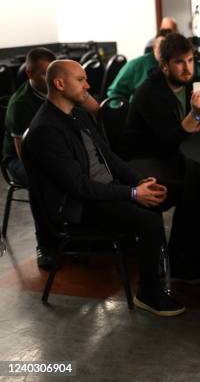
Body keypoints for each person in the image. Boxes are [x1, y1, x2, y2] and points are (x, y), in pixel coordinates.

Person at [23, 60, 185, 316]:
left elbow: (108, 156)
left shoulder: (77, 113)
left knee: (181, 192)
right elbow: (78, 187)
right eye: (81, 80)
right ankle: (150, 294)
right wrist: (132, 194)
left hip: (104, 191)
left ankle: (184, 267)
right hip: (77, 208)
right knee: (149, 221)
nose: (88, 85)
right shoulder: (46, 130)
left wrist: (138, 181)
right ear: (59, 84)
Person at [124, 32, 200, 280]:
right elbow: (168, 140)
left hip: (173, 155)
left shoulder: (194, 84)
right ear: (164, 65)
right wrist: (194, 116)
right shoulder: (149, 93)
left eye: (191, 60)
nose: (187, 68)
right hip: (145, 161)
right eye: (180, 62)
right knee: (194, 188)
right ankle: (182, 264)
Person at [3, 48, 98, 269]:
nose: (51, 80)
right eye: (44, 75)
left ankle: (81, 235)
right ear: (29, 75)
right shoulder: (21, 105)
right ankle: (45, 244)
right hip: (19, 160)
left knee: (83, 169)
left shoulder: (63, 87)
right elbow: (24, 154)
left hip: (55, 148)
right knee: (42, 179)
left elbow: (96, 110)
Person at [107, 29, 170, 102]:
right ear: (154, 47)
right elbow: (114, 92)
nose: (165, 51)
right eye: (162, 46)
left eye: (169, 47)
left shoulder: (177, 66)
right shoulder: (136, 65)